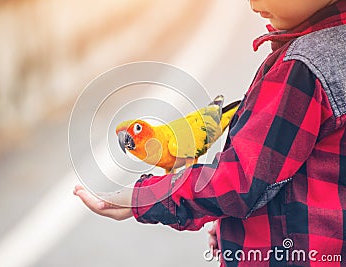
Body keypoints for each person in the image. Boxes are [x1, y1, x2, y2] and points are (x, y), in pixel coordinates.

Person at [74, 0, 346, 265]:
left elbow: (242, 180)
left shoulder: (301, 67)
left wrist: (146, 197)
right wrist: (234, 223)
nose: (253, 4)